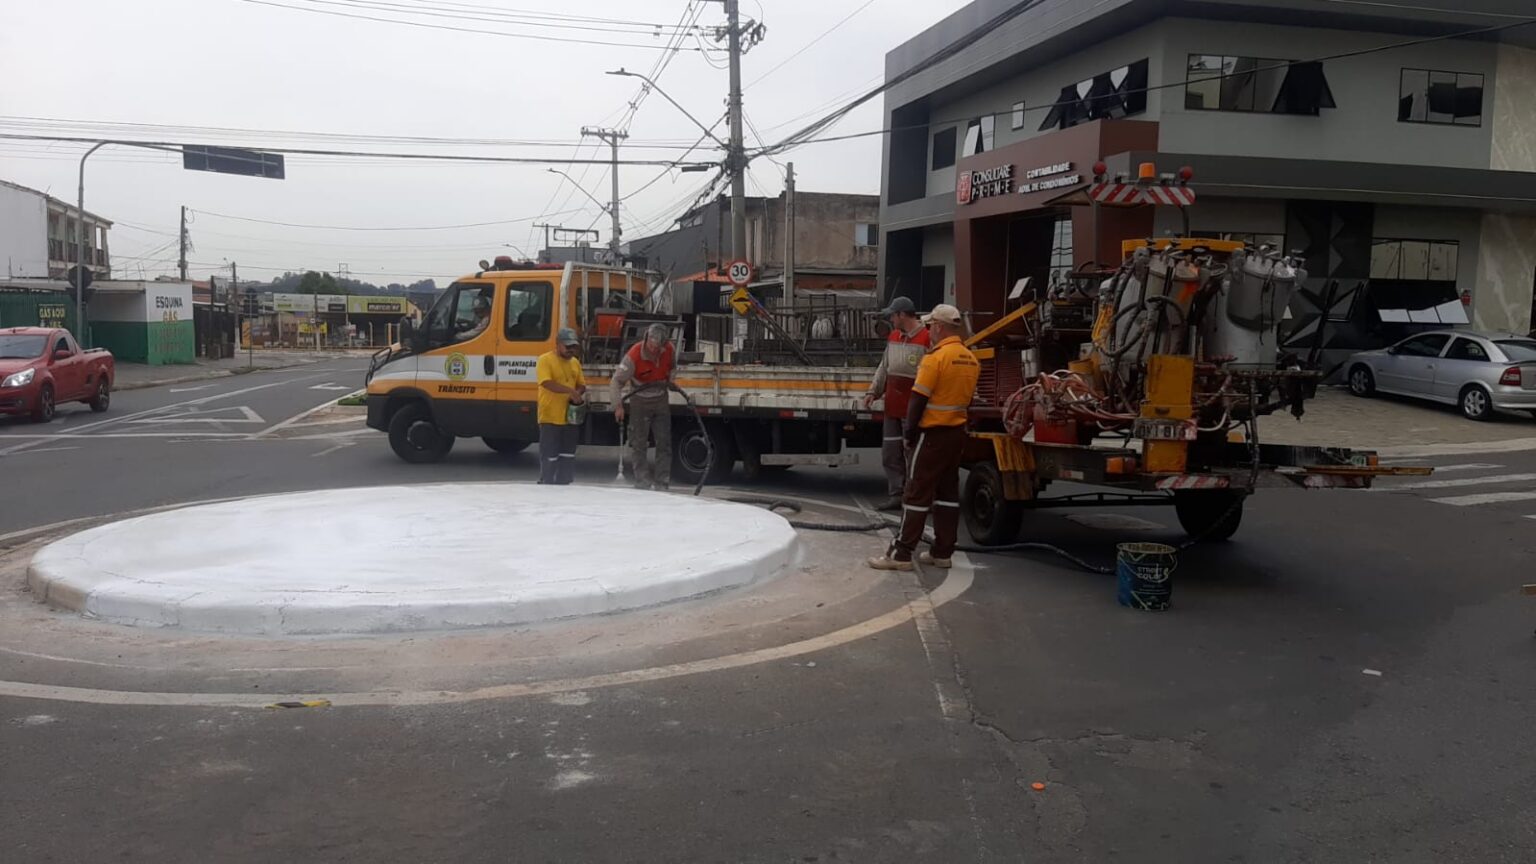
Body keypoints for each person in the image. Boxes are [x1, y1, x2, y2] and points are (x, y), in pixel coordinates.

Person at [868, 304, 980, 572]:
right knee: (947, 493)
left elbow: (918, 399)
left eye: (931, 326)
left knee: (916, 493)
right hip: (956, 435)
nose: (929, 330)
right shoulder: (970, 359)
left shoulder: (935, 358)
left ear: (939, 328)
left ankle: (901, 553)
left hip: (931, 435)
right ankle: (942, 552)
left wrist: (909, 433)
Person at [861, 295, 932, 512]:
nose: (891, 319)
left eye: (893, 315)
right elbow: (885, 367)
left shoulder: (926, 339)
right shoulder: (894, 336)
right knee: (891, 452)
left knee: (913, 454)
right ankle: (896, 494)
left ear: (902, 315)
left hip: (914, 407)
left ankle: (916, 497)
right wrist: (873, 391)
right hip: (893, 405)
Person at [609, 322, 677, 490]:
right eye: (652, 346)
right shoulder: (633, 355)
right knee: (639, 443)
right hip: (639, 400)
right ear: (646, 339)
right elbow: (616, 381)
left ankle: (662, 482)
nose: (654, 351)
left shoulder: (669, 349)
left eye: (658, 348)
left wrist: (670, 381)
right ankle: (642, 481)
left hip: (661, 398)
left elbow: (673, 367)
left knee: (664, 442)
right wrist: (617, 406)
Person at [536, 328, 587, 485]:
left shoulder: (575, 363)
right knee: (550, 453)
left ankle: (564, 482)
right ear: (557, 344)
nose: (571, 350)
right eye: (567, 346)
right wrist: (570, 391)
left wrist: (577, 393)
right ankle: (547, 481)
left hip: (569, 418)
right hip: (550, 416)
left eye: (573, 347)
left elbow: (582, 384)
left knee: (568, 454)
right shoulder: (545, 360)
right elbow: (546, 382)